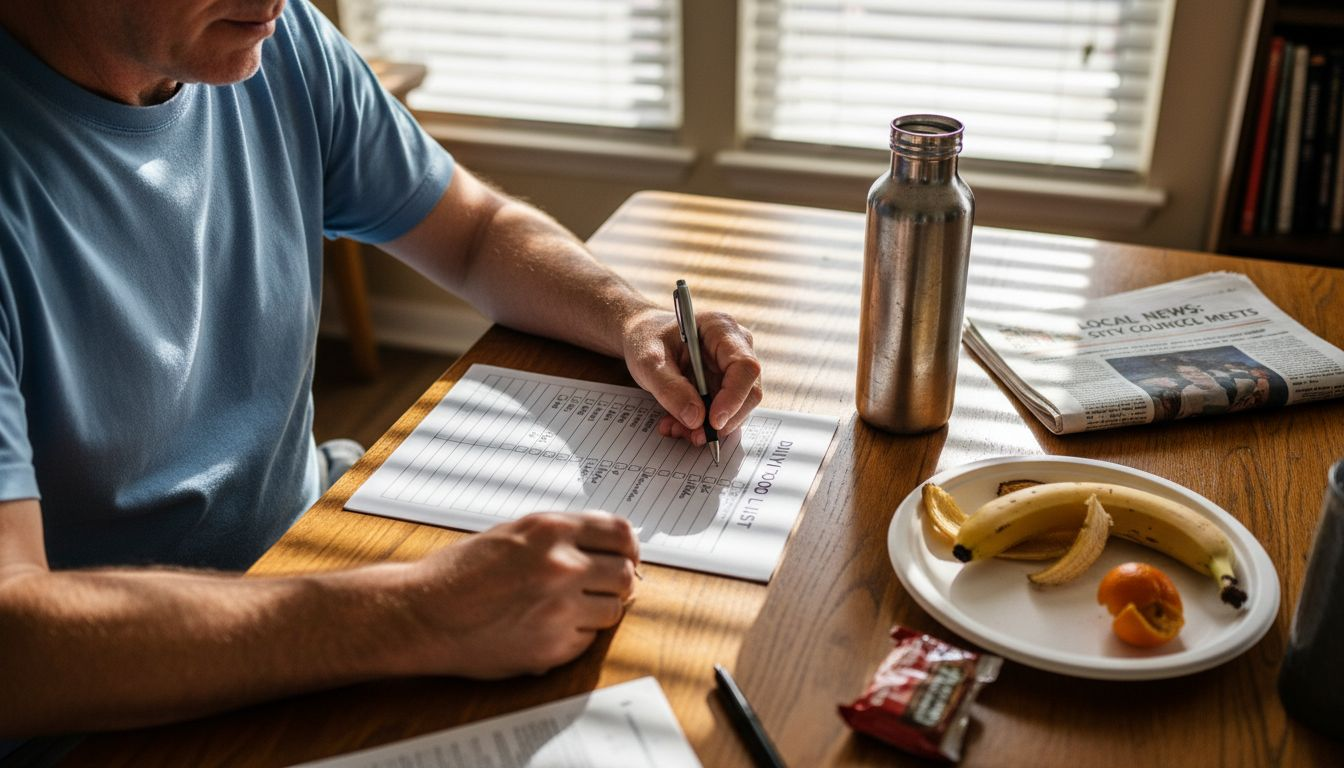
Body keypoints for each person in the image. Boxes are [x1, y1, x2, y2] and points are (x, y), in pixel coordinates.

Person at [0, 0, 763, 742]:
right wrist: (417, 612)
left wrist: (632, 320)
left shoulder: (278, 40)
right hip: (121, 701)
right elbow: (18, 646)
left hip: (320, 554)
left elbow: (476, 231)